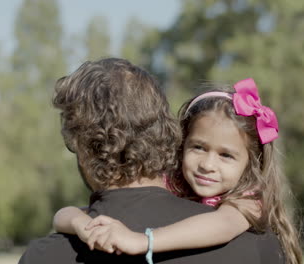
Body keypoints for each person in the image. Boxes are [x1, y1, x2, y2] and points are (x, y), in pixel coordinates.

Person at [19, 58, 285, 264]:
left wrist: (142, 240)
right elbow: (64, 215)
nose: (207, 164)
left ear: (82, 148)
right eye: (199, 148)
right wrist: (80, 224)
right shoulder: (259, 244)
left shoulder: (44, 256)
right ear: (171, 137)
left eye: (226, 155)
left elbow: (225, 223)